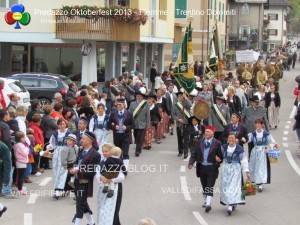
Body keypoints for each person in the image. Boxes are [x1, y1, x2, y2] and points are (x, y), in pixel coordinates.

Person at [188, 126, 223, 213]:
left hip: (212, 168)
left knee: (210, 186)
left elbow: (221, 157)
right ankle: (206, 198)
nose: (206, 133)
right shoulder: (200, 142)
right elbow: (194, 154)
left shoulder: (217, 143)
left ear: (212, 133)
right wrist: (191, 163)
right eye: (205, 132)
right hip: (202, 168)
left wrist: (217, 163)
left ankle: (208, 204)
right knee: (204, 185)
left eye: (208, 132)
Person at [70, 131, 101, 225]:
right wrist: (71, 169)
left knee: (79, 203)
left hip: (84, 182)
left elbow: (92, 172)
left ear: (89, 141)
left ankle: (77, 222)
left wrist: (78, 170)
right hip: (75, 180)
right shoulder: (80, 150)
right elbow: (75, 162)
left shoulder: (96, 155)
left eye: (83, 139)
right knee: (82, 202)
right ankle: (91, 222)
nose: (81, 140)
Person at [220, 132, 250, 215]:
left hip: (235, 170)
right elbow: (219, 156)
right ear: (227, 139)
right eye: (230, 138)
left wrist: (246, 171)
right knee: (226, 186)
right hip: (226, 169)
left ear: (236, 139)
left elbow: (243, 160)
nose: (231, 139)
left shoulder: (239, 149)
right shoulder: (223, 147)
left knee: (233, 187)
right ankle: (231, 202)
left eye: (233, 138)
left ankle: (230, 205)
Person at [248, 119, 279, 192]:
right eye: (256, 124)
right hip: (255, 152)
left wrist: (268, 147)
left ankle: (260, 184)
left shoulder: (266, 134)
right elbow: (247, 139)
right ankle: (254, 182)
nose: (257, 125)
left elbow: (273, 142)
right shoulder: (253, 134)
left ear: (262, 125)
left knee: (261, 168)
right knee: (254, 167)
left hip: (263, 153)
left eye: (259, 124)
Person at [96, 144, 124, 225]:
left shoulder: (118, 162)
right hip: (103, 187)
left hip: (114, 188)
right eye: (103, 151)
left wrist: (110, 179)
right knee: (103, 209)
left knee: (111, 210)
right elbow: (97, 173)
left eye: (106, 151)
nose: (104, 153)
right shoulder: (102, 162)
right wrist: (101, 178)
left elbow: (121, 177)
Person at [46, 119, 71, 199]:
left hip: (65, 153)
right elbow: (51, 144)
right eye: (60, 124)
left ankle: (59, 190)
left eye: (63, 124)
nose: (62, 126)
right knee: (56, 171)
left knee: (63, 172)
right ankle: (57, 189)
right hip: (56, 154)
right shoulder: (55, 134)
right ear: (58, 125)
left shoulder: (69, 134)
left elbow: (72, 144)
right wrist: (48, 149)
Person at [109, 98, 134, 174]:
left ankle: (125, 169)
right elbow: (109, 124)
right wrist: (113, 127)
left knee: (125, 153)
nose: (118, 106)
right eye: (117, 104)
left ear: (124, 105)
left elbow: (133, 125)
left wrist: (127, 127)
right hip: (117, 136)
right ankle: (120, 168)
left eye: (120, 104)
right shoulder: (113, 114)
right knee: (118, 153)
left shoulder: (129, 113)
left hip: (125, 136)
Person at [129, 91, 150, 157]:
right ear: (136, 97)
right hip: (134, 123)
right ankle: (139, 147)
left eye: (140, 96)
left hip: (142, 123)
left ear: (142, 97)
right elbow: (129, 114)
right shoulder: (132, 104)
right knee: (136, 136)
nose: (139, 97)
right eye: (138, 96)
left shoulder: (145, 104)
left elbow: (148, 115)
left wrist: (148, 124)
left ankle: (137, 151)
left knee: (139, 137)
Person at [172, 91, 192, 159]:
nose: (180, 97)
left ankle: (185, 152)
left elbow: (190, 105)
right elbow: (173, 114)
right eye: (179, 96)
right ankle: (180, 151)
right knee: (180, 138)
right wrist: (178, 119)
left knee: (186, 138)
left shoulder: (186, 103)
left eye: (181, 96)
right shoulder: (175, 105)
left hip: (186, 123)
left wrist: (186, 98)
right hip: (179, 124)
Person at [13, 131, 29, 195]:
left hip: (20, 162)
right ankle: (20, 189)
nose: (24, 139)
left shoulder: (18, 145)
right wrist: (27, 149)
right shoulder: (20, 145)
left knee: (20, 176)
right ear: (19, 138)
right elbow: (25, 153)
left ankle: (21, 187)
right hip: (21, 162)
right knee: (21, 176)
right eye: (23, 138)